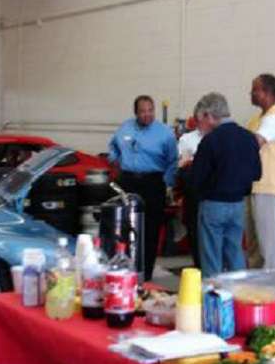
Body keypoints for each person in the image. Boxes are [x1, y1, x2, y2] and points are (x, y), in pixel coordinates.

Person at [190, 92, 261, 276]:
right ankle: (239, 291)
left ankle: (213, 292)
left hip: (213, 204)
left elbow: (196, 178)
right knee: (235, 252)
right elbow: (257, 173)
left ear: (208, 115)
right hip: (238, 204)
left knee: (212, 256)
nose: (200, 127)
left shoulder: (210, 140)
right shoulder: (249, 137)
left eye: (200, 121)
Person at [108, 95, 178, 281]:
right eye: (143, 111)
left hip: (153, 183)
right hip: (128, 181)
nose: (147, 114)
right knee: (124, 226)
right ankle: (126, 269)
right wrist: (115, 160)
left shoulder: (165, 133)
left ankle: (145, 274)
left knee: (150, 229)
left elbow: (172, 161)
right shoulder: (125, 128)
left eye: (150, 110)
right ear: (136, 113)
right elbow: (113, 147)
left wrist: (167, 184)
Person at [246, 74, 275, 269]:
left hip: (268, 186)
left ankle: (273, 282)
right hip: (254, 185)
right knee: (254, 244)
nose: (251, 93)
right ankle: (256, 282)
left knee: (269, 244)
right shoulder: (257, 118)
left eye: (255, 89)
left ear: (267, 92)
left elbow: (254, 143)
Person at [176, 103, 210, 268]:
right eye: (199, 119)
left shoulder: (218, 137)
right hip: (194, 192)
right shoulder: (186, 139)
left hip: (212, 192)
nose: (202, 122)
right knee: (194, 231)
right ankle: (199, 266)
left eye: (205, 118)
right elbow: (181, 164)